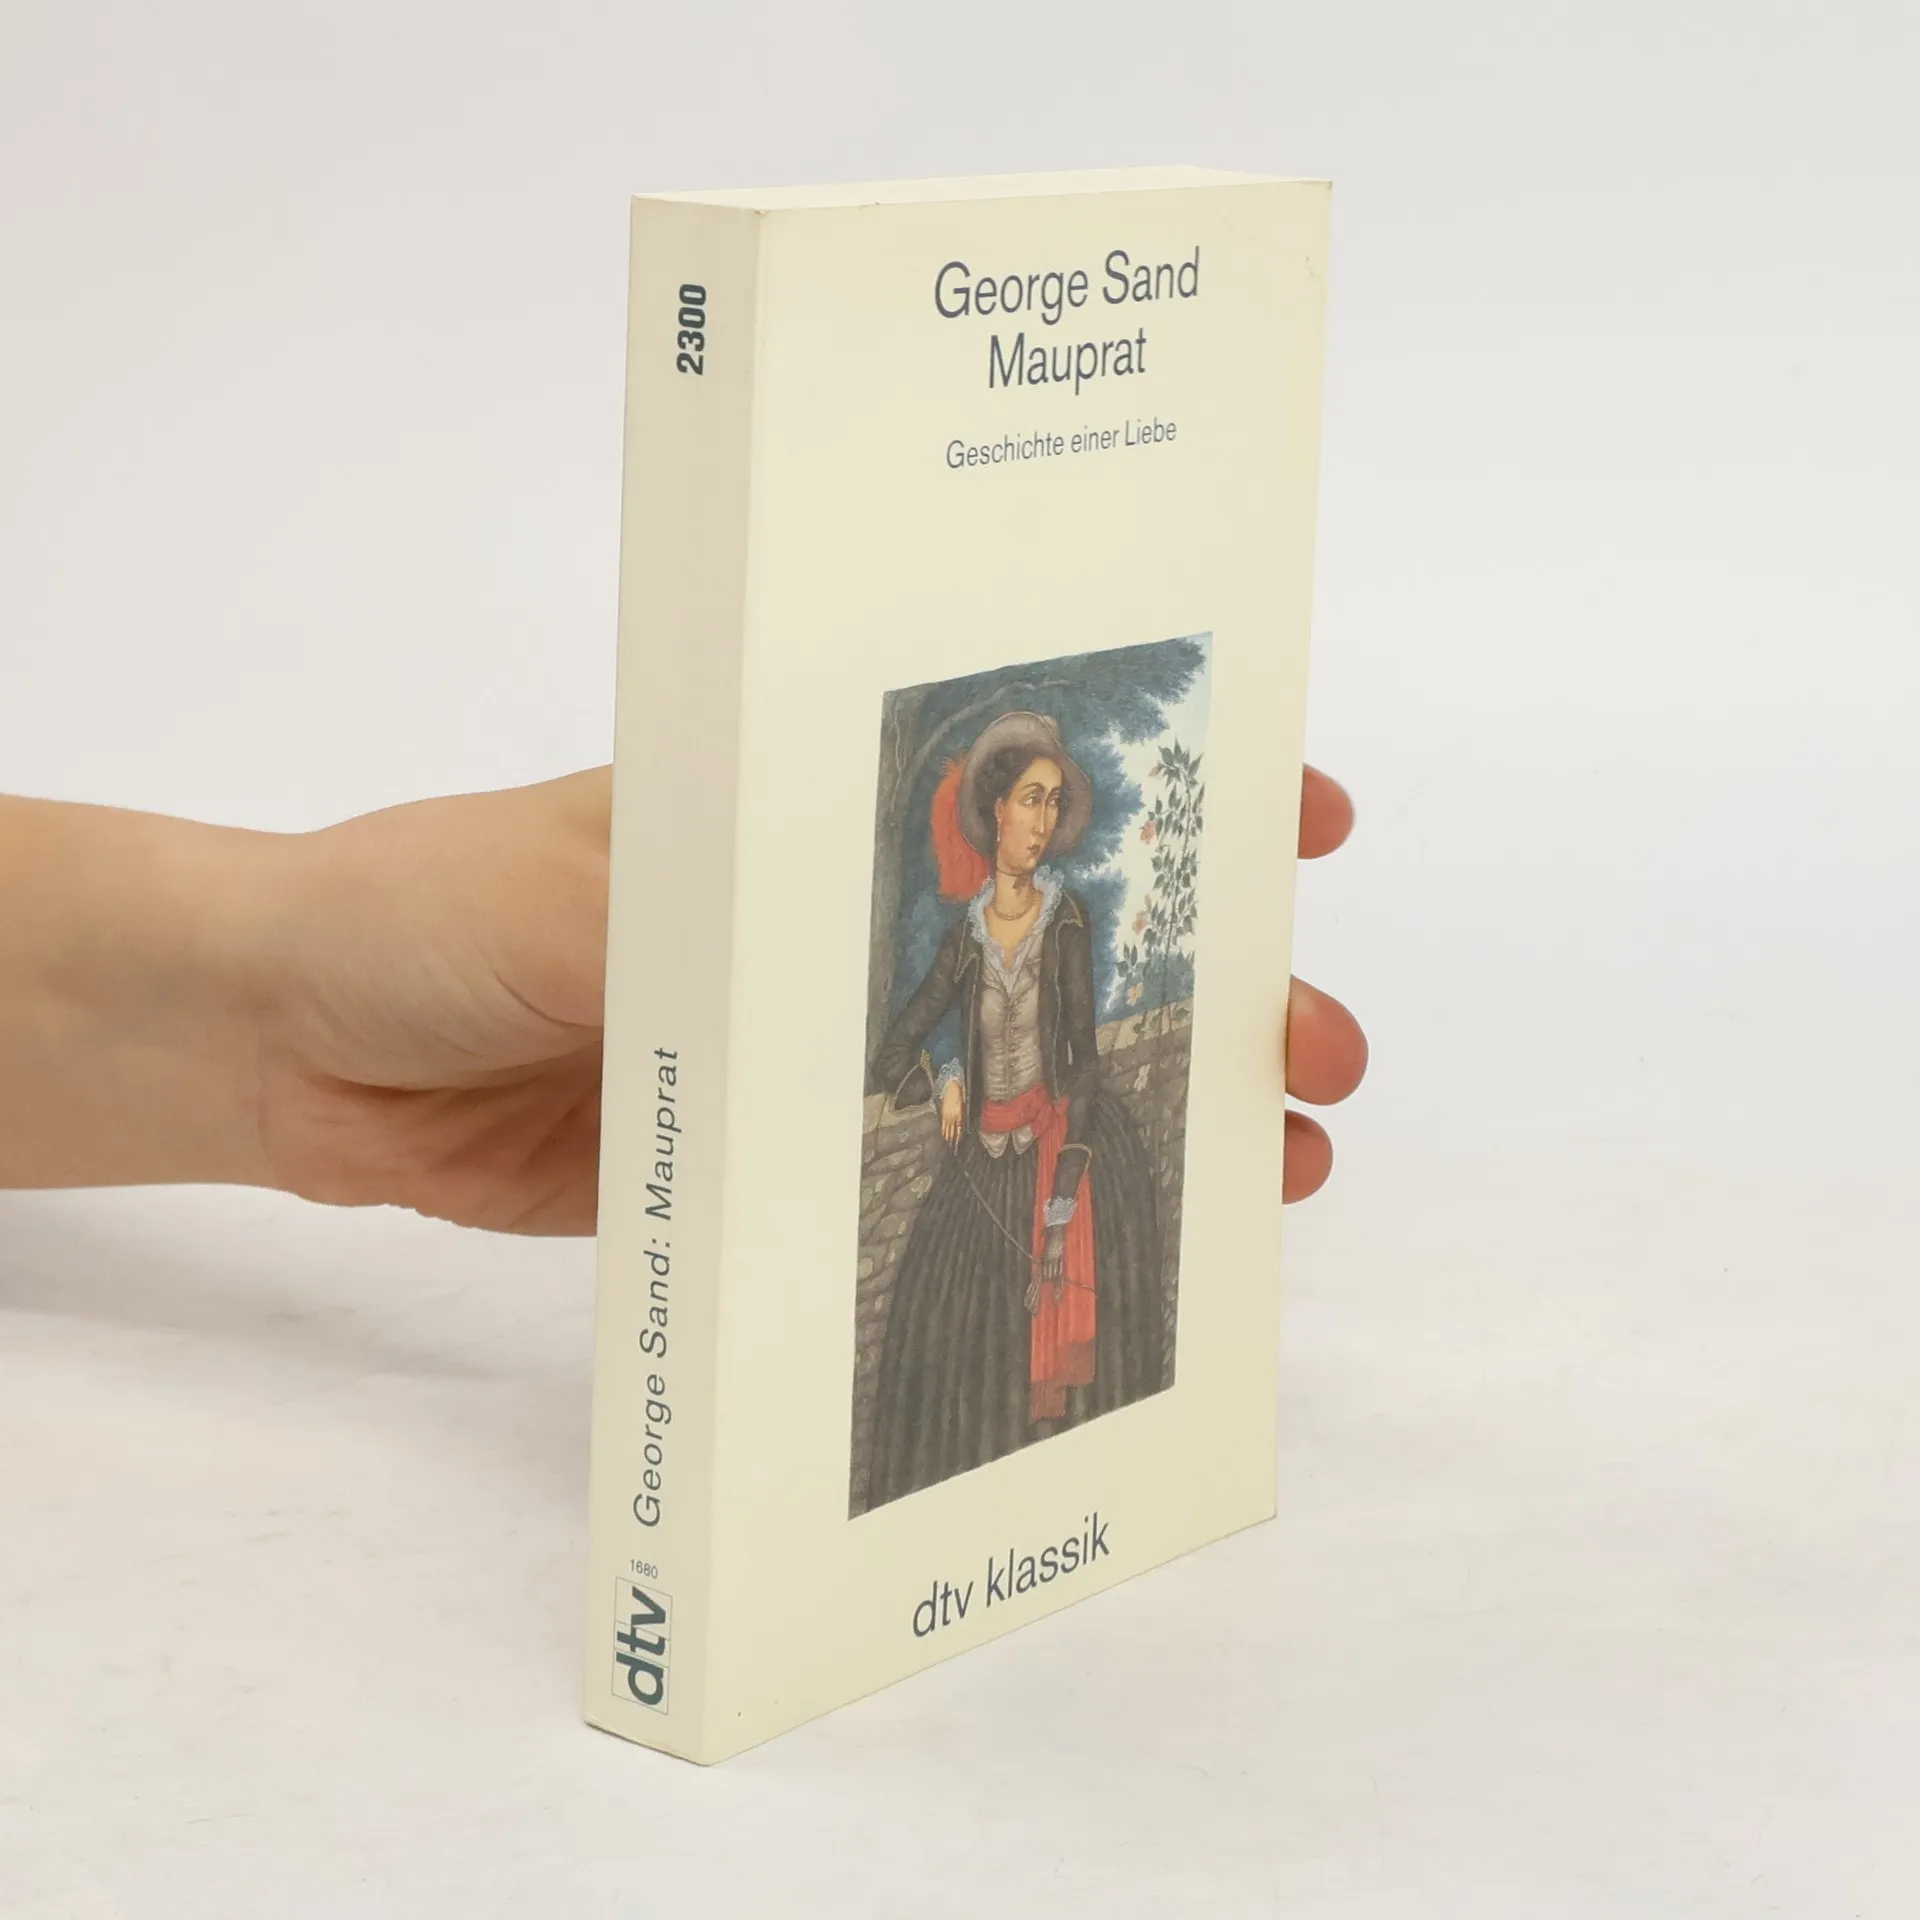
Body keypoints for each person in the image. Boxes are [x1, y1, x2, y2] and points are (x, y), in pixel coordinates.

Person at [0, 764, 1366, 1236]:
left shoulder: (1066, 924)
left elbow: (1081, 1030)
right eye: (1023, 800)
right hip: (972, 1148)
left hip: (1050, 1140)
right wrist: (916, 1078)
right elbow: (916, 1015)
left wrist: (269, 1001)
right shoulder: (964, 931)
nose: (1039, 821)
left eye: (1055, 806)